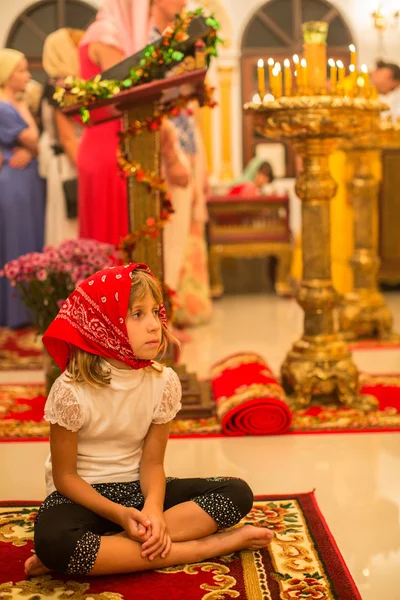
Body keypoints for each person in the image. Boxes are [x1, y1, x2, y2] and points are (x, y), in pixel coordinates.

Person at [24, 263, 272, 577]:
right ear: (104, 323)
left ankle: (109, 548)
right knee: (54, 541)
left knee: (237, 493)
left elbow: (152, 465)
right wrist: (120, 514)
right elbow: (65, 477)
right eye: (138, 314)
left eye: (156, 311)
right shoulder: (70, 390)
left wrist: (152, 509)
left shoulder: (163, 381)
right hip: (83, 499)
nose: (155, 325)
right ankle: (206, 547)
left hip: (139, 491)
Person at [77, 0, 188, 247]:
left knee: (129, 236)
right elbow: (128, 97)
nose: (148, 16)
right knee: (117, 240)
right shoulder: (106, 36)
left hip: (121, 142)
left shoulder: (111, 36)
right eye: (146, 9)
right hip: (110, 149)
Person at [151, 0, 213, 327]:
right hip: (164, 154)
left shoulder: (167, 46)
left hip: (177, 152)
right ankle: (159, 321)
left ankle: (165, 319)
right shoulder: (151, 45)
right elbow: (158, 108)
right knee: (165, 245)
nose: (183, 3)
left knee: (174, 247)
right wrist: (173, 158)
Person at [0, 49, 45, 328]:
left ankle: (26, 310)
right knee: (18, 244)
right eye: (21, 71)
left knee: (28, 242)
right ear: (7, 75)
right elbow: (35, 140)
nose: (27, 76)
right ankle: (17, 314)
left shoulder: (12, 104)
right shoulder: (5, 107)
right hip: (15, 183)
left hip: (26, 180)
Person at [40, 28, 84, 246]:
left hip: (64, 164)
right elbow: (67, 137)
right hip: (70, 166)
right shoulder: (64, 87)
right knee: (70, 232)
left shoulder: (51, 84)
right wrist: (86, 171)